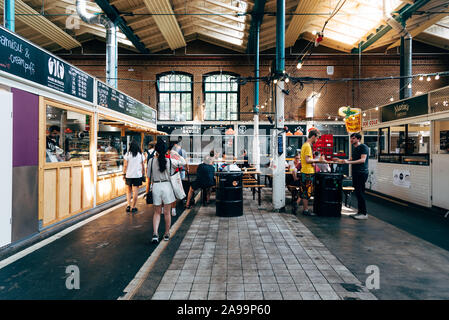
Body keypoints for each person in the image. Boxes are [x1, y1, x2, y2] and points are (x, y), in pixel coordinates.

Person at [148, 139, 186, 243]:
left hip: (156, 186)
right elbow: (183, 162)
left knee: (156, 213)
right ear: (166, 151)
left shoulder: (151, 161)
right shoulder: (170, 161)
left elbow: (149, 176)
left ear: (156, 150)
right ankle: (166, 234)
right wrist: (174, 153)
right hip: (167, 186)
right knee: (167, 212)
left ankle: (155, 234)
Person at [339, 132, 369, 220]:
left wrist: (349, 162)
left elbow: (362, 160)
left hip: (362, 172)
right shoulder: (355, 148)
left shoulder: (363, 147)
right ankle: (360, 212)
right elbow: (351, 159)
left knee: (360, 192)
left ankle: (364, 213)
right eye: (351, 138)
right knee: (358, 192)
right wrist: (342, 160)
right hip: (356, 172)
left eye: (353, 138)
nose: (351, 140)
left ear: (358, 139)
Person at [297, 130, 327, 216]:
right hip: (307, 172)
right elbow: (307, 160)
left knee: (304, 191)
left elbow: (307, 160)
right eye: (317, 137)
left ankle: (297, 204)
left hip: (305, 171)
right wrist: (319, 160)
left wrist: (314, 162)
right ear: (313, 136)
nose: (317, 140)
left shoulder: (306, 145)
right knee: (307, 192)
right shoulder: (307, 146)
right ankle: (305, 210)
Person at [123, 140, 145, 214]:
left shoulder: (127, 154)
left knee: (128, 191)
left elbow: (125, 165)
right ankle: (133, 207)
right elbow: (143, 166)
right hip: (137, 175)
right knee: (135, 191)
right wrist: (143, 174)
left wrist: (123, 174)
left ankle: (128, 205)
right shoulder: (141, 155)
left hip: (129, 175)